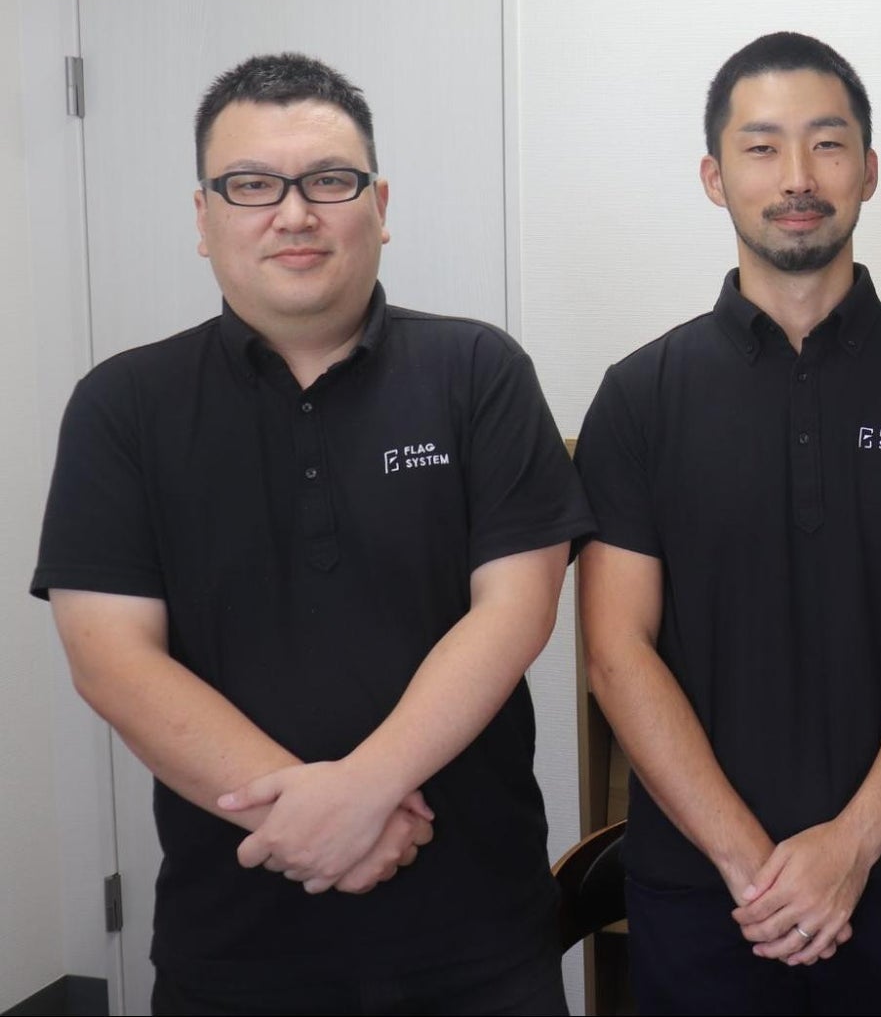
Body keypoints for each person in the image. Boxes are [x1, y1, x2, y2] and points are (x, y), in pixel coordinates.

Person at [32, 53, 594, 1013]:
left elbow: (517, 609)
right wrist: (319, 823)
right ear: (203, 217)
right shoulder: (121, 405)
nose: (294, 214)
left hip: (479, 934)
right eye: (252, 185)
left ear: (380, 205)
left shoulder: (478, 371)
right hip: (232, 943)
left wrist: (365, 789)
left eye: (329, 181)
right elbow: (111, 659)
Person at [575, 32, 881, 1015]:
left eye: (827, 144)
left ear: (868, 170)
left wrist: (853, 844)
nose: (798, 177)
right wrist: (751, 864)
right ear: (714, 177)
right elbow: (615, 650)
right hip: (702, 891)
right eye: (762, 147)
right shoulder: (641, 395)